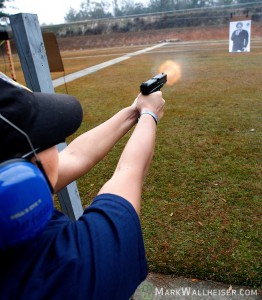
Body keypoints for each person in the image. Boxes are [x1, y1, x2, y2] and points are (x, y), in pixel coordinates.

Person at [0, 71, 165, 299]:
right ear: (15, 179)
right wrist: (150, 114)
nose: (56, 150)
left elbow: (75, 156)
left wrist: (133, 111)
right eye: (43, 140)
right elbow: (129, 173)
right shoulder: (72, 268)